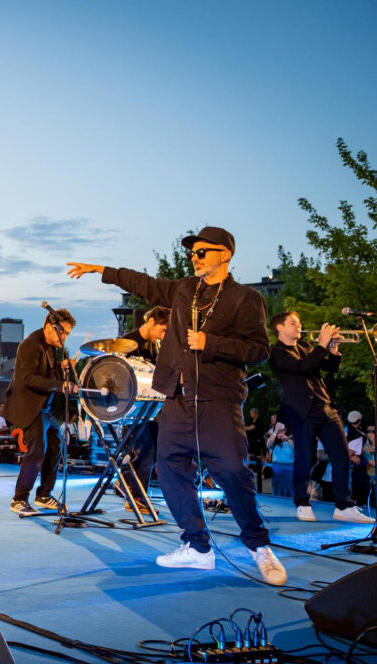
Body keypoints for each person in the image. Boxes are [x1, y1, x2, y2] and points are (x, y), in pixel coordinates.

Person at [67, 225, 287, 585]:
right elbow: (145, 284)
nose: (194, 256)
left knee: (232, 471)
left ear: (224, 255)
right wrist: (100, 271)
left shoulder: (245, 298)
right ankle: (198, 547)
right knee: (169, 470)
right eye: (192, 252)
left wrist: (210, 343)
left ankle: (259, 546)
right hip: (177, 399)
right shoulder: (185, 289)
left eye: (202, 251)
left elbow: (259, 350)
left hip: (217, 399)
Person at [269, 311, 372, 523]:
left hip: (326, 408)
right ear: (280, 327)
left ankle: (344, 505)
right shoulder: (276, 353)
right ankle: (302, 502)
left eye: (299, 322)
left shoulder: (306, 347)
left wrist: (333, 350)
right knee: (305, 458)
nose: (299, 326)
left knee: (342, 456)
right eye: (293, 323)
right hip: (301, 412)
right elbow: (302, 367)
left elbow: (330, 368)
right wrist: (322, 344)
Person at [3, 309, 76, 516]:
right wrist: (61, 385)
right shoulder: (30, 345)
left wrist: (62, 370)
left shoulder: (51, 346)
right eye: (62, 331)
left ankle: (44, 494)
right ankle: (19, 499)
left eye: (68, 334)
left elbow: (46, 373)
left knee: (56, 447)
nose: (64, 337)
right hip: (29, 405)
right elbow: (28, 378)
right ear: (48, 326)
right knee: (36, 452)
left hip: (45, 407)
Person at [118, 306, 170, 510]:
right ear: (151, 322)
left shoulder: (154, 345)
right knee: (145, 449)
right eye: (162, 329)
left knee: (156, 447)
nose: (163, 335)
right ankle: (135, 496)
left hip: (150, 407)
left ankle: (132, 488)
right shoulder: (127, 343)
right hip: (131, 408)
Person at [268, 426, 295, 498]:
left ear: (285, 431)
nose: (280, 433)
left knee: (290, 487)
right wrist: (275, 432)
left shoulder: (291, 440)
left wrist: (287, 439)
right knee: (277, 487)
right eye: (278, 431)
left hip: (289, 468)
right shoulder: (273, 442)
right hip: (277, 468)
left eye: (282, 430)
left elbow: (296, 449)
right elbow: (268, 445)